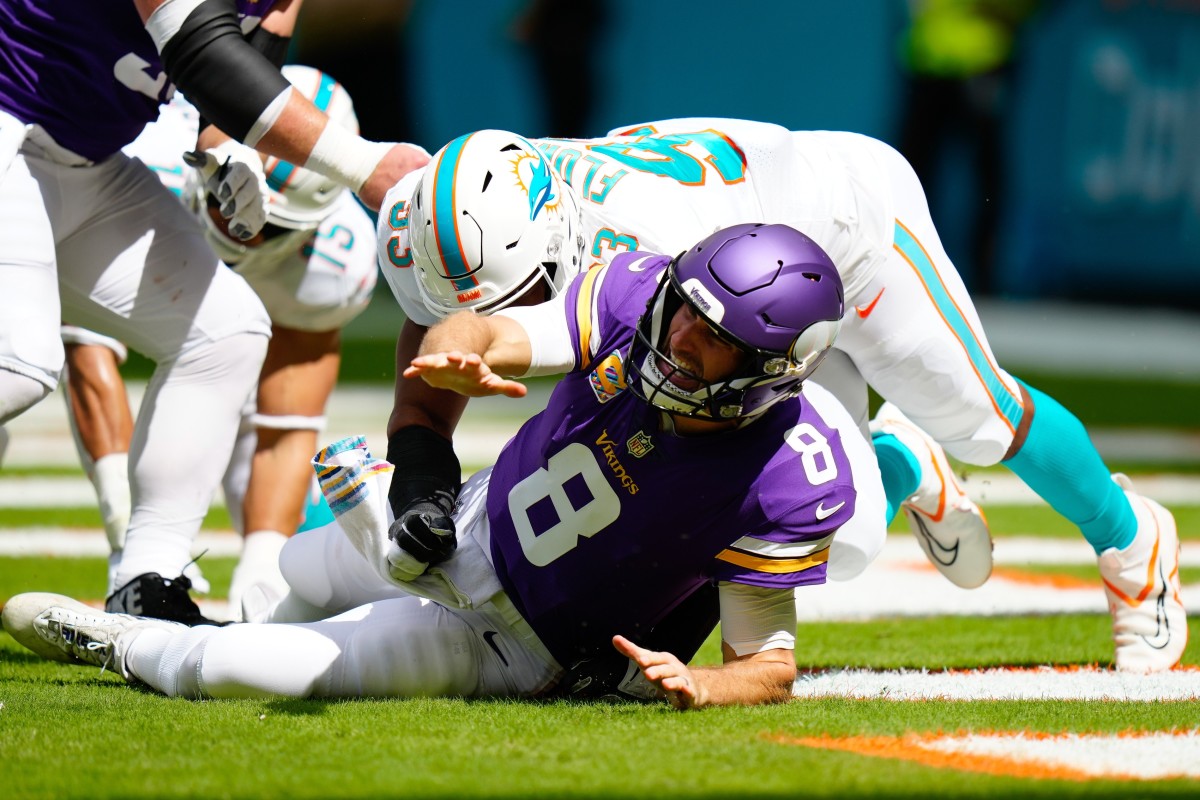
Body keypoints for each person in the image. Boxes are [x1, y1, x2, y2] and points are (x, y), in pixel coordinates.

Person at [378, 122, 1185, 674]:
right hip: (746, 306)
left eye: (498, 305)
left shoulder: (637, 246)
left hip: (846, 230)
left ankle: (1131, 544)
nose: (479, 323)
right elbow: (440, 329)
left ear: (552, 245)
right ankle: (897, 465)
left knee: (982, 420)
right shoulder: (495, 197)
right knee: (857, 539)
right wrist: (418, 470)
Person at [5, 223, 876, 709]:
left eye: (716, 341)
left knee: (232, 673)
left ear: (773, 368)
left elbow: (767, 663)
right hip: (467, 523)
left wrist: (704, 685)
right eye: (686, 311)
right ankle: (353, 550)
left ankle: (125, 645)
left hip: (506, 642)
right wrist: (457, 349)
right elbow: (490, 331)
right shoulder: (632, 293)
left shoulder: (785, 472)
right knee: (295, 575)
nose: (681, 338)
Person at [0, 0, 427, 624]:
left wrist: (231, 151)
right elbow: (199, 47)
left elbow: (238, 79)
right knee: (20, 361)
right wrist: (362, 164)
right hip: (11, 124)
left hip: (81, 162)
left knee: (227, 333)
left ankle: (148, 579)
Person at [60, 66, 378, 616]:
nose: (243, 226)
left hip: (232, 339)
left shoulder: (337, 261)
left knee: (293, 547)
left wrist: (264, 564)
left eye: (268, 224)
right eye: (228, 200)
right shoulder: (147, 158)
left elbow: (286, 427)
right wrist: (123, 521)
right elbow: (86, 347)